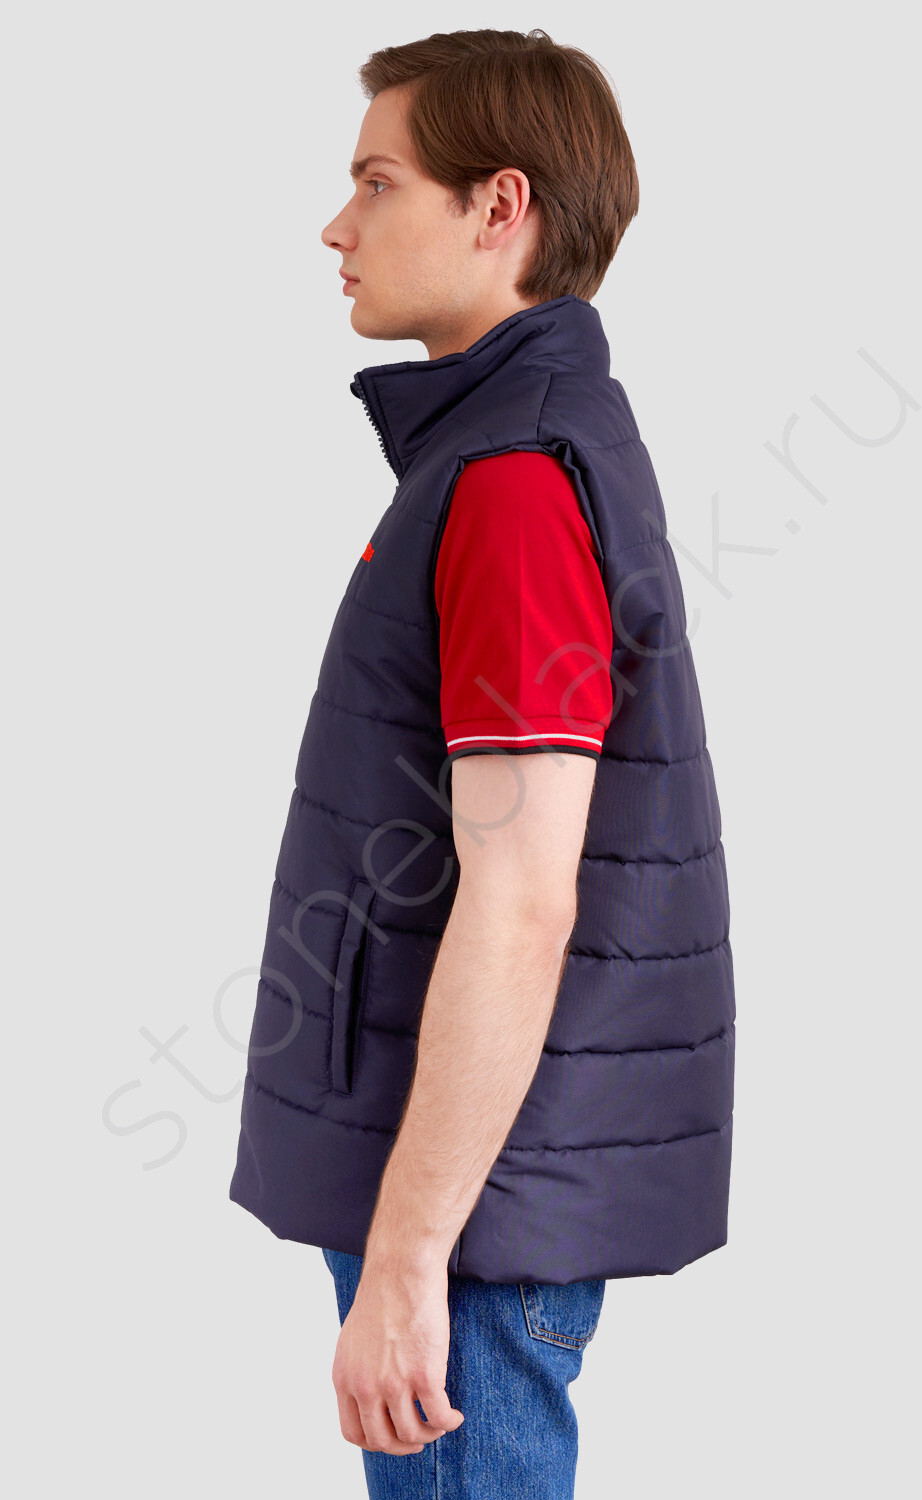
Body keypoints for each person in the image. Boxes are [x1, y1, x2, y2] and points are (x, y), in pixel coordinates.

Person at [229, 27, 736, 1499]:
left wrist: (408, 1259)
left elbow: (520, 896)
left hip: (470, 1216)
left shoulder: (514, 481)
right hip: (477, 1189)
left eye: (378, 181)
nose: (338, 226)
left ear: (498, 206)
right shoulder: (503, 450)